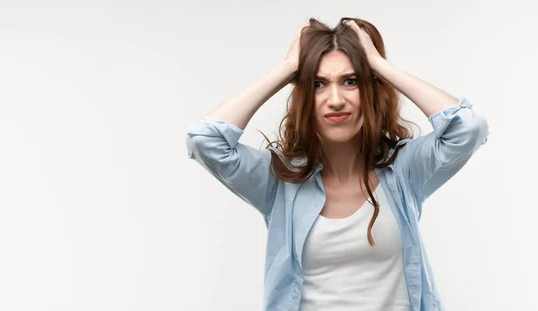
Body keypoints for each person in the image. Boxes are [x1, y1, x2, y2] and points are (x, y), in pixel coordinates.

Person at [185, 17, 489, 311]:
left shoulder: (404, 168)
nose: (335, 99)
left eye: (351, 81)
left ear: (370, 88)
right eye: (318, 84)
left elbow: (468, 128)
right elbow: (205, 141)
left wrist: (379, 66)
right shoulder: (280, 178)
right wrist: (288, 68)